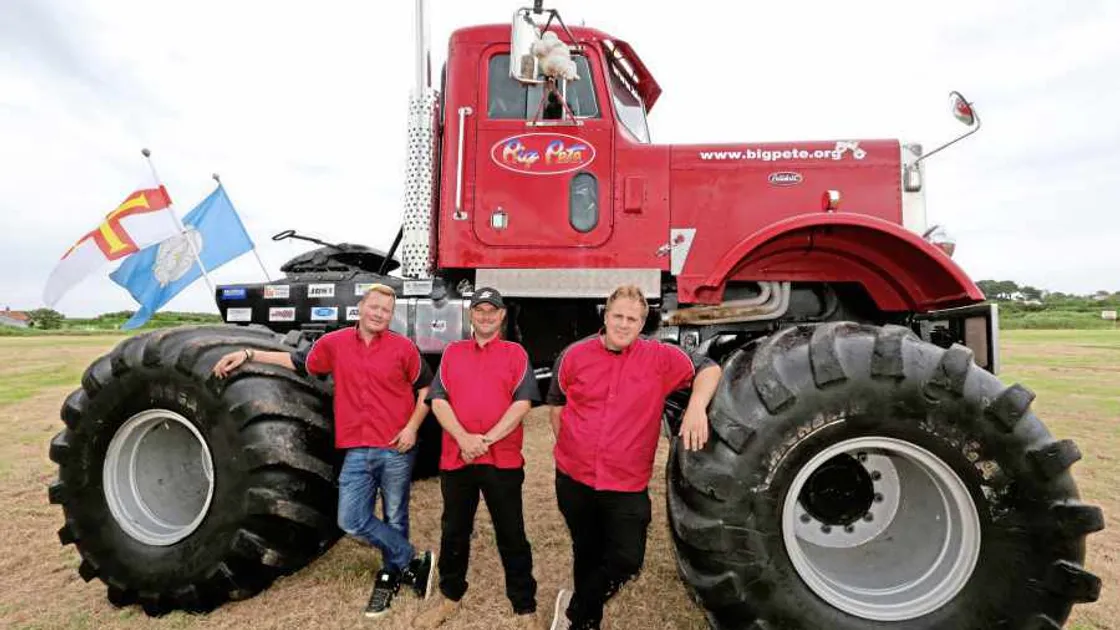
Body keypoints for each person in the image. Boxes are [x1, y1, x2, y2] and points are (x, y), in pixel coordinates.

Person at [212, 283, 436, 619]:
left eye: (386, 310)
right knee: (350, 519)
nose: (379, 314)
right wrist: (248, 354)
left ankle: (390, 575)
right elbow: (298, 361)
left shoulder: (403, 348)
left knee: (395, 514)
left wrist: (412, 428)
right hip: (357, 447)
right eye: (374, 307)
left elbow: (426, 390)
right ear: (362, 308)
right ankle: (413, 560)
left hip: (396, 448)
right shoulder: (335, 344)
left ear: (392, 315)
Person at [546, 284, 721, 630]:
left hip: (626, 483)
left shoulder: (659, 358)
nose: (624, 324)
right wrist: (570, 444)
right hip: (574, 479)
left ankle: (577, 608)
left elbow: (710, 368)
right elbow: (557, 404)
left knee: (627, 560)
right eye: (618, 316)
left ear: (642, 325)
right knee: (586, 549)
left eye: (632, 319)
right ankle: (587, 622)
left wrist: (696, 407)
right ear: (605, 316)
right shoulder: (574, 355)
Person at [414, 287, 540, 629]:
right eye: (479, 310)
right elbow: (438, 400)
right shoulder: (453, 352)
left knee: (511, 533)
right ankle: (450, 596)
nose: (485, 316)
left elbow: (523, 402)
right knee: (454, 532)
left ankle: (525, 605)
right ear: (471, 314)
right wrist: (463, 438)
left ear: (502, 316)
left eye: (492, 311)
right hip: (458, 460)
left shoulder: (515, 353)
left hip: (502, 461)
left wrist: (484, 441)